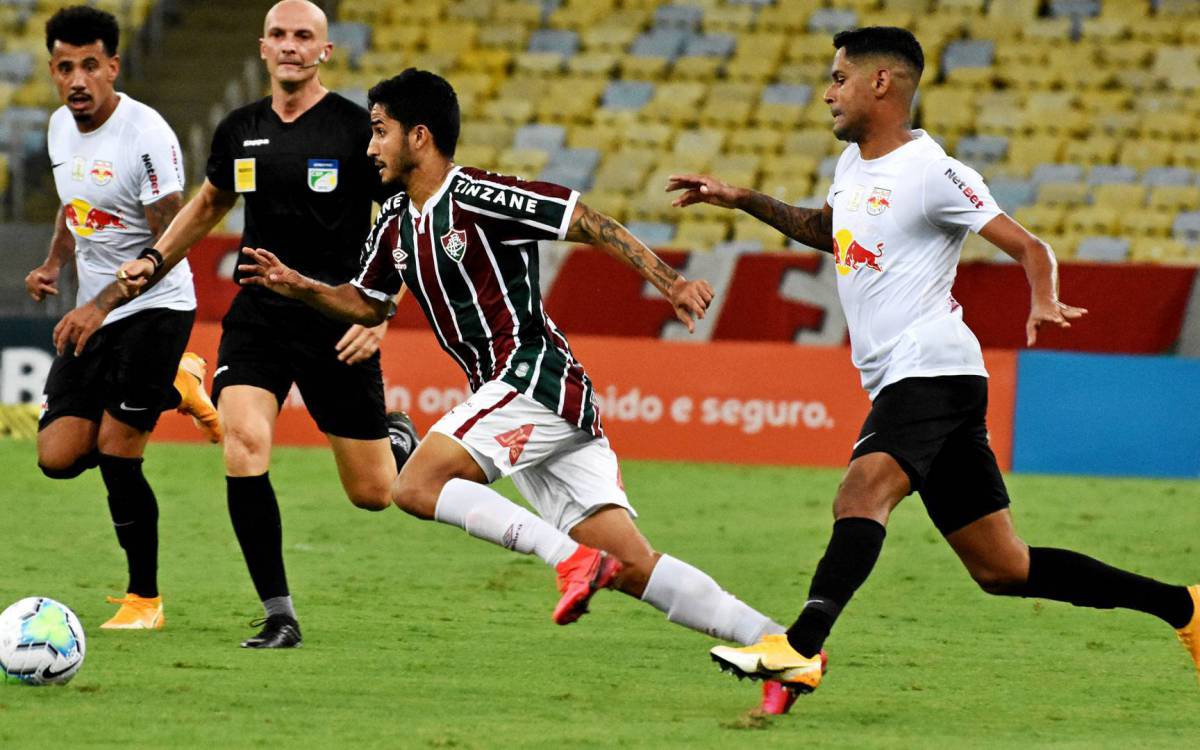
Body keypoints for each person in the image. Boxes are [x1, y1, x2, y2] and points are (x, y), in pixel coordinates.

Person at [236, 67, 816, 714]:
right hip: (530, 400)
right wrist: (302, 286)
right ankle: (784, 649)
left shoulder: (481, 195)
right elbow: (368, 303)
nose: (369, 147)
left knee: (415, 486)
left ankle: (569, 561)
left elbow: (585, 221)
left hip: (533, 377)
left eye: (379, 131)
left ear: (419, 136)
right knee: (631, 565)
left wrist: (671, 282)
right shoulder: (395, 219)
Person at [667, 26, 1200, 696]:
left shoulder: (934, 173)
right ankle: (1185, 607)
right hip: (922, 379)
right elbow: (829, 231)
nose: (828, 93)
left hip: (931, 367)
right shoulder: (852, 165)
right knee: (1003, 567)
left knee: (861, 491)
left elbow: (1030, 246)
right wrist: (743, 199)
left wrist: (1043, 297)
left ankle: (799, 649)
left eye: (839, 78)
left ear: (880, 83)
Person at [116, 0, 418, 649]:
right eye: (278, 34)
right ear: (262, 47)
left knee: (373, 493)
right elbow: (210, 203)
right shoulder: (239, 129)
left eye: (303, 36)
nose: (289, 45)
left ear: (325, 51)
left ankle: (396, 440)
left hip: (336, 320)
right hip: (258, 317)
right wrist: (154, 257)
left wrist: (381, 314)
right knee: (243, 443)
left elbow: (408, 223)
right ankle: (280, 615)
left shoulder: (355, 130)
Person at [26, 5, 221, 631]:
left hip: (155, 307)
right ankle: (176, 386)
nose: (77, 79)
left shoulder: (147, 135)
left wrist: (99, 304)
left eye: (90, 65)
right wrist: (55, 263)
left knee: (117, 451)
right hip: (95, 311)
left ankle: (145, 600)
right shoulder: (59, 127)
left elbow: (170, 243)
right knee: (57, 456)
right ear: (53, 72)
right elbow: (73, 205)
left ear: (113, 66)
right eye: (65, 67)